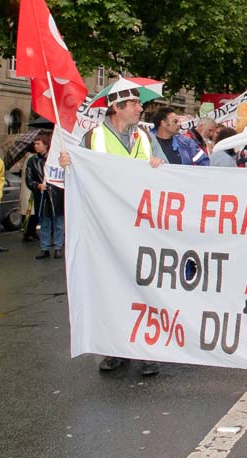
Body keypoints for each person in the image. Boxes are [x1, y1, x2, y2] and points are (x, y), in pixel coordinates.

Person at [60, 86, 165, 376]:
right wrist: (69, 164)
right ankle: (114, 348)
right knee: (111, 288)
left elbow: (166, 175)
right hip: (107, 228)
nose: (139, 108)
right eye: (133, 103)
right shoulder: (93, 138)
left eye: (138, 103)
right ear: (116, 108)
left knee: (146, 288)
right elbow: (78, 175)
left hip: (143, 227)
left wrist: (159, 165)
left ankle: (147, 350)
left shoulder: (145, 137)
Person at [26, 132, 65, 260]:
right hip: (42, 196)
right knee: (44, 223)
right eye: (35, 144)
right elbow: (29, 179)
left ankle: (58, 247)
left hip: (57, 195)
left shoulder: (56, 159)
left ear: (46, 145)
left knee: (58, 223)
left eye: (38, 144)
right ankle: (44, 248)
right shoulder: (32, 161)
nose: (35, 146)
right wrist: (37, 185)